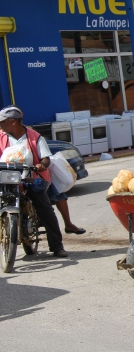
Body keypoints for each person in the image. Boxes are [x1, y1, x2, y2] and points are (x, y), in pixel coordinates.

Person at [0, 105, 68, 257]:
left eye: (2, 122)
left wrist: (42, 164)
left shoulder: (35, 137)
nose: (0, 125)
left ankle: (57, 246)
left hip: (30, 177)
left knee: (46, 209)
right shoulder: (1, 136)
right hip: (6, 178)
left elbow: (46, 158)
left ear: (12, 121)